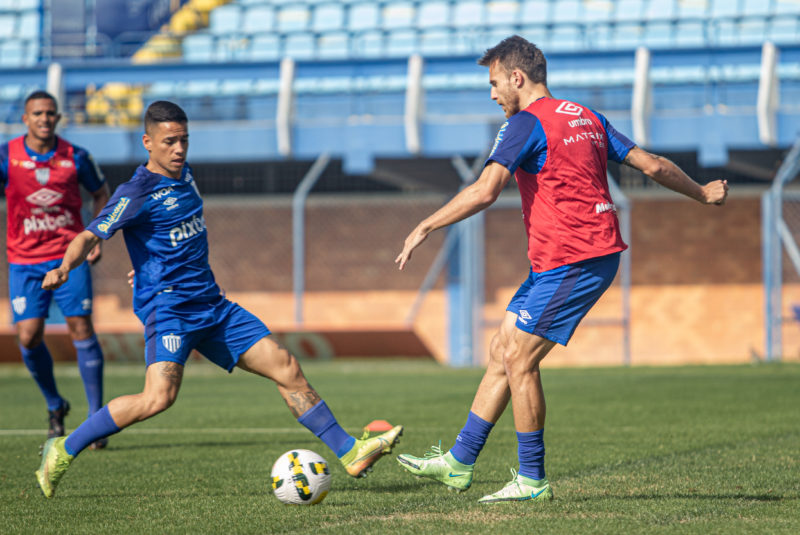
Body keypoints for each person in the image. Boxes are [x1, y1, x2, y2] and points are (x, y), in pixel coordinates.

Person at [394, 36, 729, 504]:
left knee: (519, 359)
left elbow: (486, 190)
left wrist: (426, 225)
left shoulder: (524, 123)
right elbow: (652, 166)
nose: (492, 94)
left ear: (517, 78)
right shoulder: (588, 116)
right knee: (502, 348)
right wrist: (703, 192)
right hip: (564, 260)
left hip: (575, 259)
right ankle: (459, 462)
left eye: (494, 83)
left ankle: (532, 480)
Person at [34, 100, 402, 498]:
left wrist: (147, 264)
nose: (179, 149)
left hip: (213, 306)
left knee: (285, 366)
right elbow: (90, 235)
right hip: (171, 310)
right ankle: (63, 448)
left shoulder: (186, 174)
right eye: (169, 142)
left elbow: (168, 238)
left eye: (184, 140)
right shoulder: (136, 192)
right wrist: (65, 267)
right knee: (158, 398)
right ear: (147, 142)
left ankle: (350, 451)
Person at [0, 91, 110, 447]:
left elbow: (102, 193)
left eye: (50, 113)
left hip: (68, 259)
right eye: (37, 113)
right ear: (25, 119)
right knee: (28, 336)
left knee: (81, 327)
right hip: (24, 261)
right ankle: (55, 404)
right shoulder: (6, 155)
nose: (44, 119)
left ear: (58, 117)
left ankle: (96, 419)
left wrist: (95, 237)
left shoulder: (76, 156)